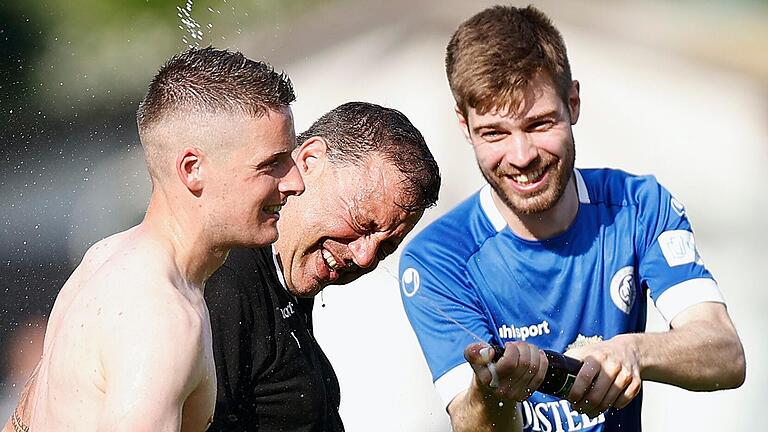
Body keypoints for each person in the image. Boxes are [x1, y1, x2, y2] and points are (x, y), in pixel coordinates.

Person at [398, 5, 746, 432]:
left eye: (540, 124)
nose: (522, 156)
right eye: (495, 133)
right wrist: (495, 391)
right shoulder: (437, 258)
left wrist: (633, 352)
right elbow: (470, 425)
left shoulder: (638, 205)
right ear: (464, 126)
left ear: (573, 102)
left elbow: (726, 353)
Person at [2, 47, 305, 432]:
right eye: (271, 164)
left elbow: (21, 422)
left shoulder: (105, 257)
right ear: (192, 170)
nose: (295, 182)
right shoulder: (162, 319)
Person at [204, 101, 441, 431]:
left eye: (386, 247)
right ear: (309, 161)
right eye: (362, 222)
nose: (365, 257)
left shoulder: (290, 273)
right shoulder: (224, 286)